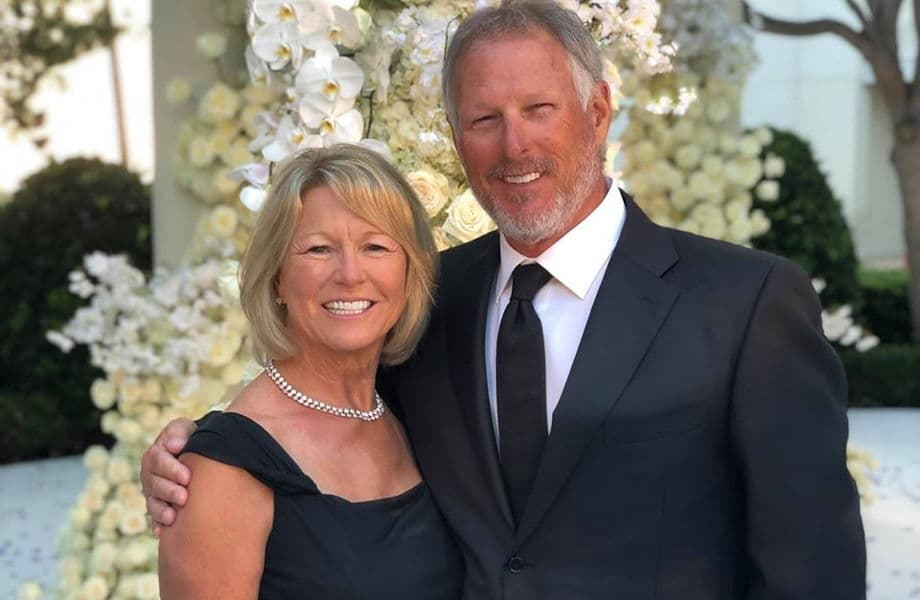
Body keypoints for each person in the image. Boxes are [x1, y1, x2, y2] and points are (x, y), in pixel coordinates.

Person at [144, 1, 867, 598]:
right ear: (457, 137)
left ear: (598, 111)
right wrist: (201, 457)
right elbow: (323, 421)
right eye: (484, 119)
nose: (514, 145)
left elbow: (813, 569)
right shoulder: (425, 302)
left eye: (539, 109)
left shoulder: (745, 304)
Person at [156, 144, 463, 599]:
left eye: (375, 246)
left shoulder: (414, 407)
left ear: (409, 271)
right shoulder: (223, 468)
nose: (350, 274)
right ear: (278, 276)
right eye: (319, 249)